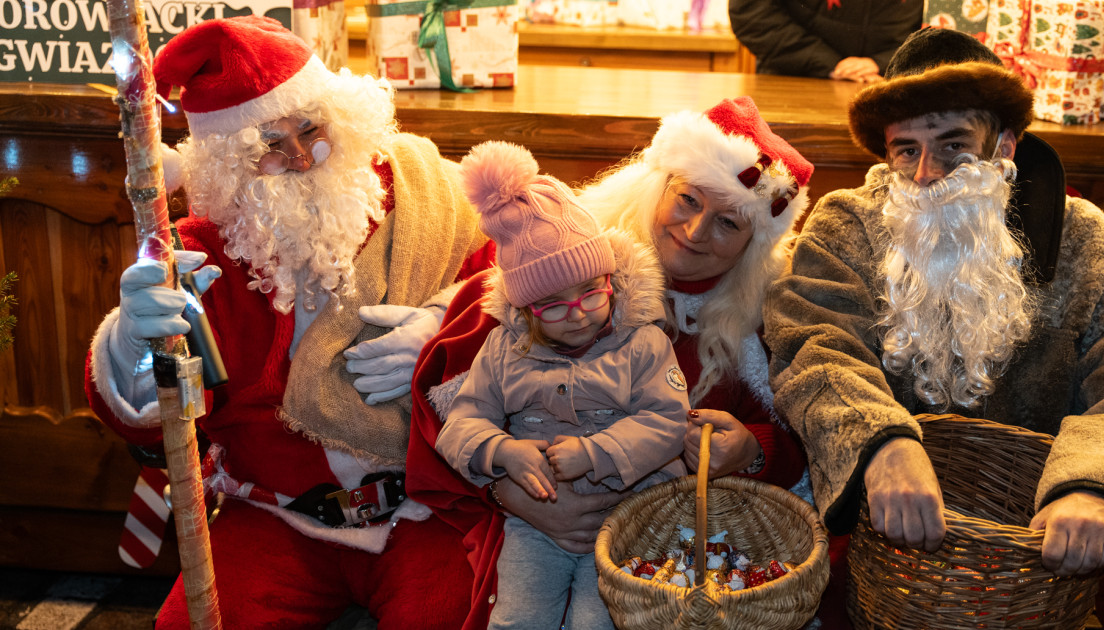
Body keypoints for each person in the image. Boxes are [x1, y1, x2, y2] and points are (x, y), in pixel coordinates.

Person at [84, 16, 491, 628]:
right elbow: (148, 421)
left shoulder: (422, 192)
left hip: (428, 508)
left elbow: (515, 284)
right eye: (269, 146)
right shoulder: (196, 256)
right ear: (226, 167)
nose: (300, 157)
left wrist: (446, 331)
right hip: (278, 518)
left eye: (310, 129)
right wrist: (131, 343)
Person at [764, 26, 1104, 581]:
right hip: (885, 561)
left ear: (1004, 147)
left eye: (952, 145)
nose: (926, 175)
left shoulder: (1090, 242)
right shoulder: (845, 225)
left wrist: (1095, 485)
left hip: (1035, 567)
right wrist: (880, 443)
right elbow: (815, 348)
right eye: (906, 150)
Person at [405, 96, 817, 627]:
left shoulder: (769, 316)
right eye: (688, 200)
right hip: (519, 526)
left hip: (665, 550)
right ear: (659, 186)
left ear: (755, 241)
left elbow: (810, 444)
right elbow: (448, 409)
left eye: (728, 223)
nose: (695, 233)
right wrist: (509, 490)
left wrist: (753, 450)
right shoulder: (557, 253)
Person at [435, 141, 690, 629]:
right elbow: (461, 424)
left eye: (591, 292)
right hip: (534, 525)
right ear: (526, 309)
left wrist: (595, 453)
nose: (577, 315)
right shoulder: (504, 350)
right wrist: (503, 452)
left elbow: (667, 419)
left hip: (630, 517)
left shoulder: (643, 342)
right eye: (553, 305)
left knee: (600, 622)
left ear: (609, 278)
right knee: (517, 619)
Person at [729, 0, 922, 83]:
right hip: (791, 83)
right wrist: (828, 62)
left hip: (886, 91)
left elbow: (940, 25)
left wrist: (882, 63)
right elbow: (751, 15)